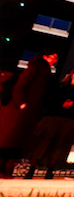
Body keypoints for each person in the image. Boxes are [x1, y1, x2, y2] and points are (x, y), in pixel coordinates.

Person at [0, 49, 59, 178]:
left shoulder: (44, 72)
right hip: (22, 110)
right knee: (11, 139)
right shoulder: (35, 69)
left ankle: (6, 169)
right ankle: (4, 169)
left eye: (55, 58)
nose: (54, 60)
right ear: (44, 57)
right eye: (52, 57)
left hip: (30, 110)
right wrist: (22, 104)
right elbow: (20, 86)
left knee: (17, 141)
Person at [23, 67, 74, 179]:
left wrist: (72, 106)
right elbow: (48, 99)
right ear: (72, 73)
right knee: (42, 142)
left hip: (69, 119)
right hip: (52, 116)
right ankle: (31, 169)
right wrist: (60, 104)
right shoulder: (59, 86)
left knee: (60, 144)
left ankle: (50, 169)